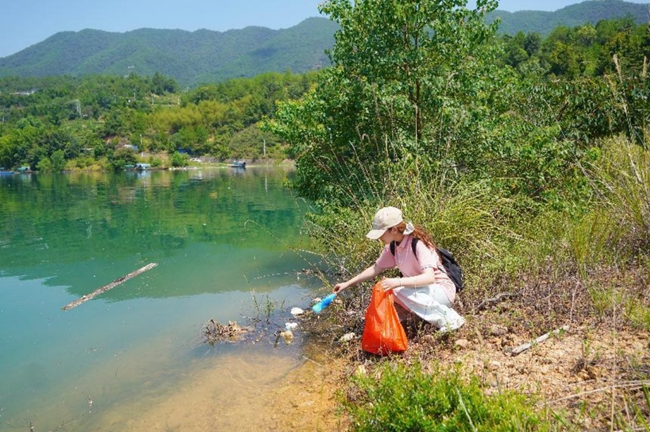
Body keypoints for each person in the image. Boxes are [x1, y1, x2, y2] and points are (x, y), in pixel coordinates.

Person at [333, 206, 465, 333]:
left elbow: (429, 278)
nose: (379, 238)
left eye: (381, 233)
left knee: (394, 289)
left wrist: (398, 282)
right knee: (388, 312)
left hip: (441, 291)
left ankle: (450, 319)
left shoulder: (417, 244)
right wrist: (347, 284)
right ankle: (421, 321)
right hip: (421, 293)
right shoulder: (393, 247)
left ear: (394, 230)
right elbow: (375, 269)